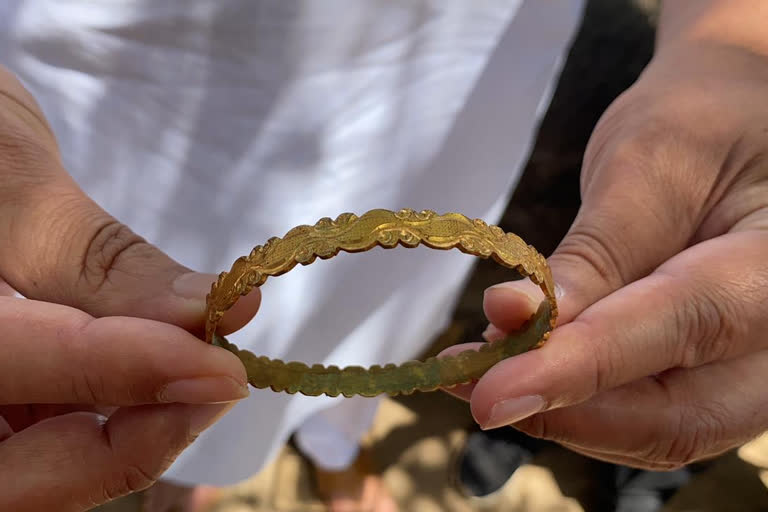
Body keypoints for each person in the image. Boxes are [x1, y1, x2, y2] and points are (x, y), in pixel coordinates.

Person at [1, 1, 767, 511]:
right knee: (173, 368)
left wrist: (729, 52)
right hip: (109, 103)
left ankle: (325, 443)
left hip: (452, 102)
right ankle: (202, 463)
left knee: (371, 318)